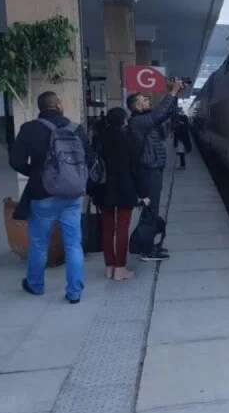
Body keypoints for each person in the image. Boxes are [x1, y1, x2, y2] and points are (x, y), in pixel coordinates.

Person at [9, 91, 94, 304]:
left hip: (42, 194)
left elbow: (16, 161)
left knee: (39, 243)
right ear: (57, 105)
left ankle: (35, 285)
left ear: (41, 107)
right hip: (72, 194)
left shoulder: (29, 129)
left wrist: (36, 173)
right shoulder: (76, 128)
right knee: (73, 243)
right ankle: (74, 292)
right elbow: (90, 159)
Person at [126, 77, 186, 262]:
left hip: (153, 170)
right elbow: (159, 114)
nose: (149, 101)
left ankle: (148, 245)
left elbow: (164, 113)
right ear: (136, 107)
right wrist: (172, 92)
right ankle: (145, 249)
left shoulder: (144, 120)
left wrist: (175, 96)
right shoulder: (137, 122)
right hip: (148, 171)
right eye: (144, 100)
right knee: (151, 210)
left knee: (151, 210)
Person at [94, 107, 149, 280]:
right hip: (125, 188)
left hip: (103, 188)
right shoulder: (130, 139)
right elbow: (136, 169)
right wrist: (143, 193)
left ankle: (109, 267)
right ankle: (120, 268)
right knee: (123, 227)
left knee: (108, 228)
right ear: (124, 121)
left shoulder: (98, 137)